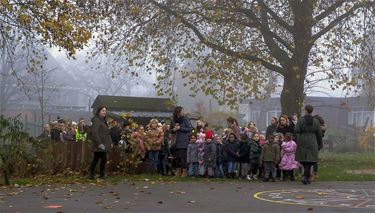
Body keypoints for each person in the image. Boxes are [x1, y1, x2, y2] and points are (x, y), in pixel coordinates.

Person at [294, 105, 323, 185]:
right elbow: (319, 133)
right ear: (312, 111)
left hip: (302, 140)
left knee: (303, 159)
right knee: (310, 161)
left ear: (306, 110)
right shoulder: (316, 121)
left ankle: (304, 176)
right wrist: (320, 143)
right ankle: (306, 177)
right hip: (312, 141)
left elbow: (296, 130)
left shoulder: (301, 120)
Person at [89, 106, 112, 179]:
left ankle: (92, 174)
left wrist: (110, 142)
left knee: (96, 159)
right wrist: (99, 144)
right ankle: (100, 174)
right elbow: (95, 133)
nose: (104, 112)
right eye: (102, 111)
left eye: (105, 111)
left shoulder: (103, 121)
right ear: (99, 112)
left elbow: (107, 133)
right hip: (99, 144)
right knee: (103, 159)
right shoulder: (96, 120)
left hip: (104, 143)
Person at [170, 106, 192, 177]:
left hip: (183, 140)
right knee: (177, 157)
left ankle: (184, 171)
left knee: (183, 157)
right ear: (178, 112)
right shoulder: (173, 120)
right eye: (182, 111)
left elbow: (189, 129)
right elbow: (170, 130)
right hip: (175, 141)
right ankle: (178, 171)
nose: (183, 112)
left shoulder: (185, 119)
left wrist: (180, 128)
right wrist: (174, 129)